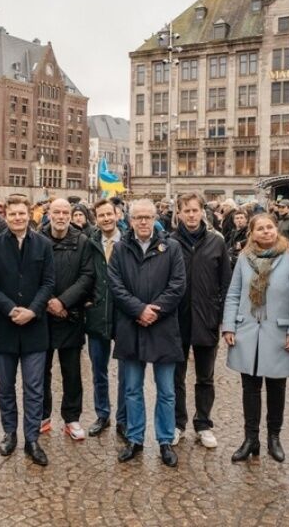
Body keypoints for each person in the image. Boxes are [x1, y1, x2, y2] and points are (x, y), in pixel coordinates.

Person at [221, 213, 289, 463]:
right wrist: (229, 325)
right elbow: (234, 293)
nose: (266, 232)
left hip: (279, 331)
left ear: (277, 229)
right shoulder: (244, 259)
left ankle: (274, 437)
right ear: (252, 233)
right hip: (247, 330)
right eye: (260, 228)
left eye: (270, 227)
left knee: (276, 387)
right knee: (250, 387)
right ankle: (251, 439)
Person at [110, 199, 187, 467]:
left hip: (163, 326)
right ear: (130, 220)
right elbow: (115, 285)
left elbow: (178, 285)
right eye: (138, 217)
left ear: (155, 218)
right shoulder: (120, 249)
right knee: (132, 388)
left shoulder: (172, 247)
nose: (143, 222)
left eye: (148, 217)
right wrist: (139, 310)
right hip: (131, 325)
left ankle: (165, 440)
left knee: (166, 390)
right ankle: (135, 438)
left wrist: (155, 311)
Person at [0, 194, 56, 466]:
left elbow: (49, 282)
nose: (17, 218)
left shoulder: (44, 245)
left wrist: (33, 310)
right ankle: (9, 433)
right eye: (12, 214)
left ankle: (32, 438)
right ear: (5, 215)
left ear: (29, 215)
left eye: (22, 214)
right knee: (5, 386)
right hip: (5, 326)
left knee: (35, 387)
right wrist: (10, 309)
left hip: (35, 327)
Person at [169, 193, 230, 449]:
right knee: (176, 377)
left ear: (202, 212)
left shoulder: (217, 242)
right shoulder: (170, 243)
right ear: (179, 214)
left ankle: (203, 423)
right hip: (177, 320)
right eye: (187, 211)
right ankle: (178, 423)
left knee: (205, 377)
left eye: (195, 210)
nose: (191, 215)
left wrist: (222, 318)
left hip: (206, 317)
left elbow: (226, 284)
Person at [39, 198, 95, 440]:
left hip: (71, 315)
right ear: (49, 214)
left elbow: (87, 276)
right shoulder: (37, 240)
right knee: (41, 371)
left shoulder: (82, 241)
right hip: (42, 316)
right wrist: (50, 301)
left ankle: (71, 418)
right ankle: (42, 415)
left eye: (65, 212)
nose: (60, 216)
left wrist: (64, 302)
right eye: (56, 212)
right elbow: (32, 274)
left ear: (71, 215)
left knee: (71, 372)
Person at [84, 199, 127, 438]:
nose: (106, 219)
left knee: (125, 372)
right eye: (101, 215)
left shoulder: (129, 242)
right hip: (97, 314)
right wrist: (87, 301)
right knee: (98, 370)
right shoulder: (89, 242)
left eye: (109, 214)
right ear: (96, 218)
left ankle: (123, 418)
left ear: (117, 214)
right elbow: (82, 274)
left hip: (123, 316)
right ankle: (102, 414)